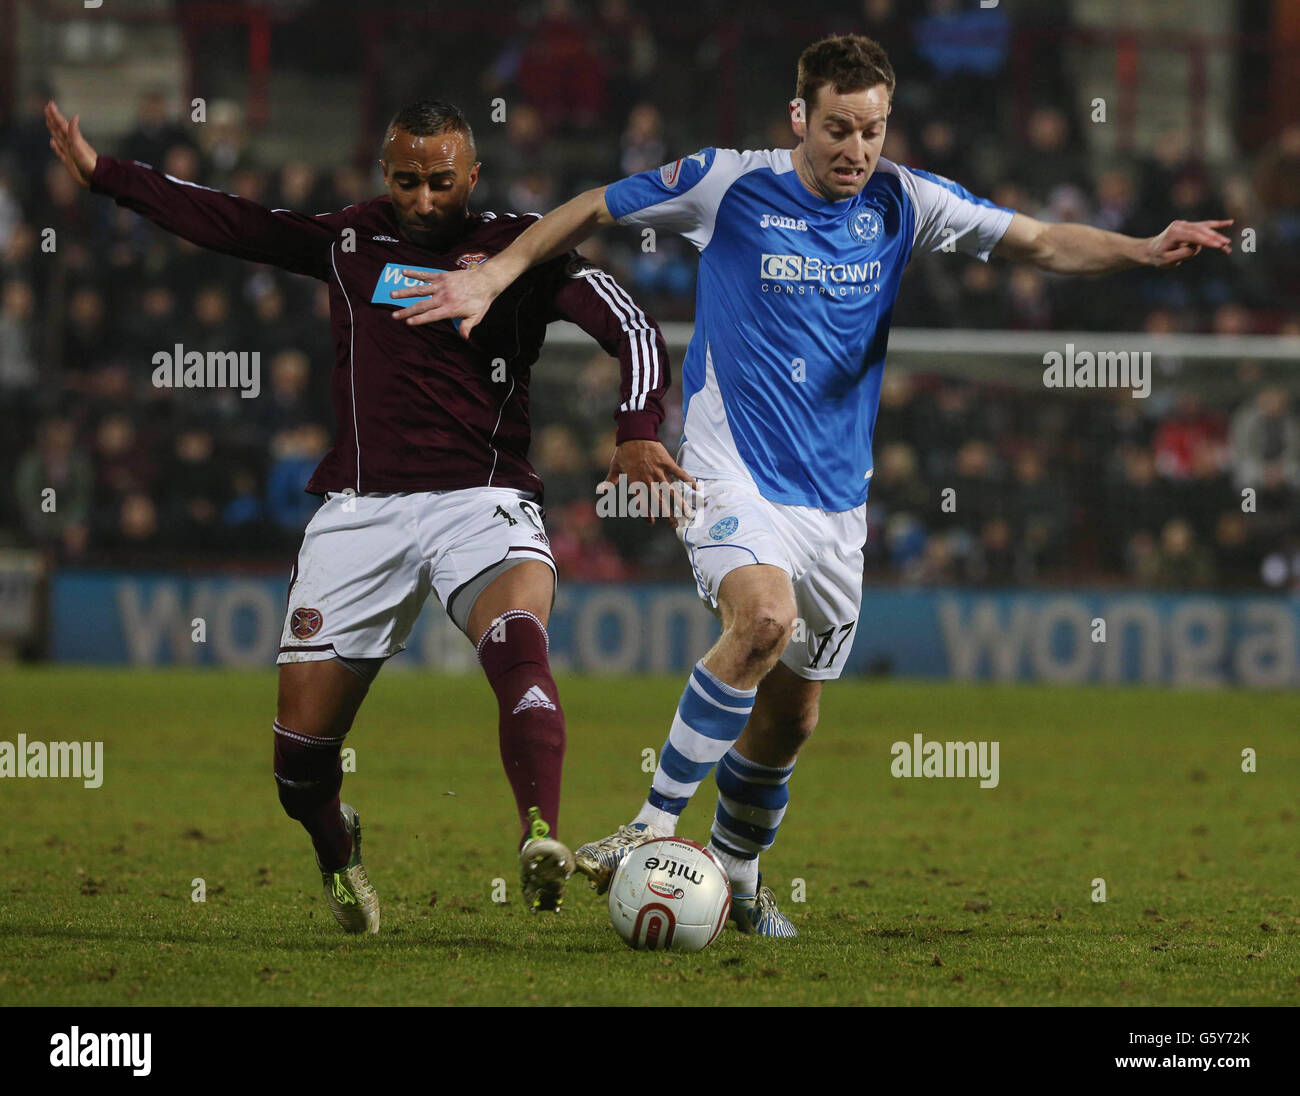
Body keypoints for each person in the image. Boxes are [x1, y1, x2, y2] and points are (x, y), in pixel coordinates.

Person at [392, 33, 1234, 939]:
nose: (855, 150)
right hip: (730, 472)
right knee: (760, 620)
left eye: (871, 129)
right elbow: (596, 204)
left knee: (790, 721)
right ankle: (646, 827)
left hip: (836, 505)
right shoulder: (727, 183)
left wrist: (1145, 250)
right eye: (838, 128)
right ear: (800, 117)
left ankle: (743, 877)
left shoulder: (905, 200)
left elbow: (1038, 242)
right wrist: (502, 270)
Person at [46, 96, 676, 929]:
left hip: (481, 500)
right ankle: (337, 849)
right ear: (385, 174)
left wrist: (635, 430)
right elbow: (230, 221)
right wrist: (108, 176)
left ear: (473, 176)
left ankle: (539, 835)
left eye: (441, 182)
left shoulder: (519, 248)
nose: (422, 200)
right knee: (298, 764)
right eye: (407, 181)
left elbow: (631, 325)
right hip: (360, 512)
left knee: (518, 641)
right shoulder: (347, 240)